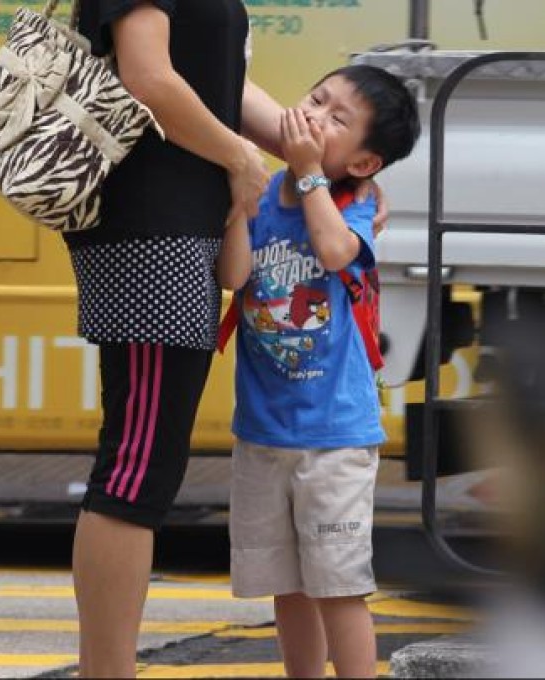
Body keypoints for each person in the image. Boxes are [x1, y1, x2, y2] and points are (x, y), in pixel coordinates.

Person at [63, 2, 385, 676]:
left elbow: (212, 85)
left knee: (140, 466)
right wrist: (241, 159)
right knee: (135, 468)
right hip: (155, 232)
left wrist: (329, 167)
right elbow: (148, 77)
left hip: (176, 231)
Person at [216, 64, 420, 678]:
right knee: (289, 584)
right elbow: (232, 277)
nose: (314, 116)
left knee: (338, 584)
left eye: (337, 119)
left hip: (335, 435)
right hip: (263, 430)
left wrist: (308, 175)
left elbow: (334, 253)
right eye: (316, 99)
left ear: (363, 163)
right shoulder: (265, 194)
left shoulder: (353, 207)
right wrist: (235, 203)